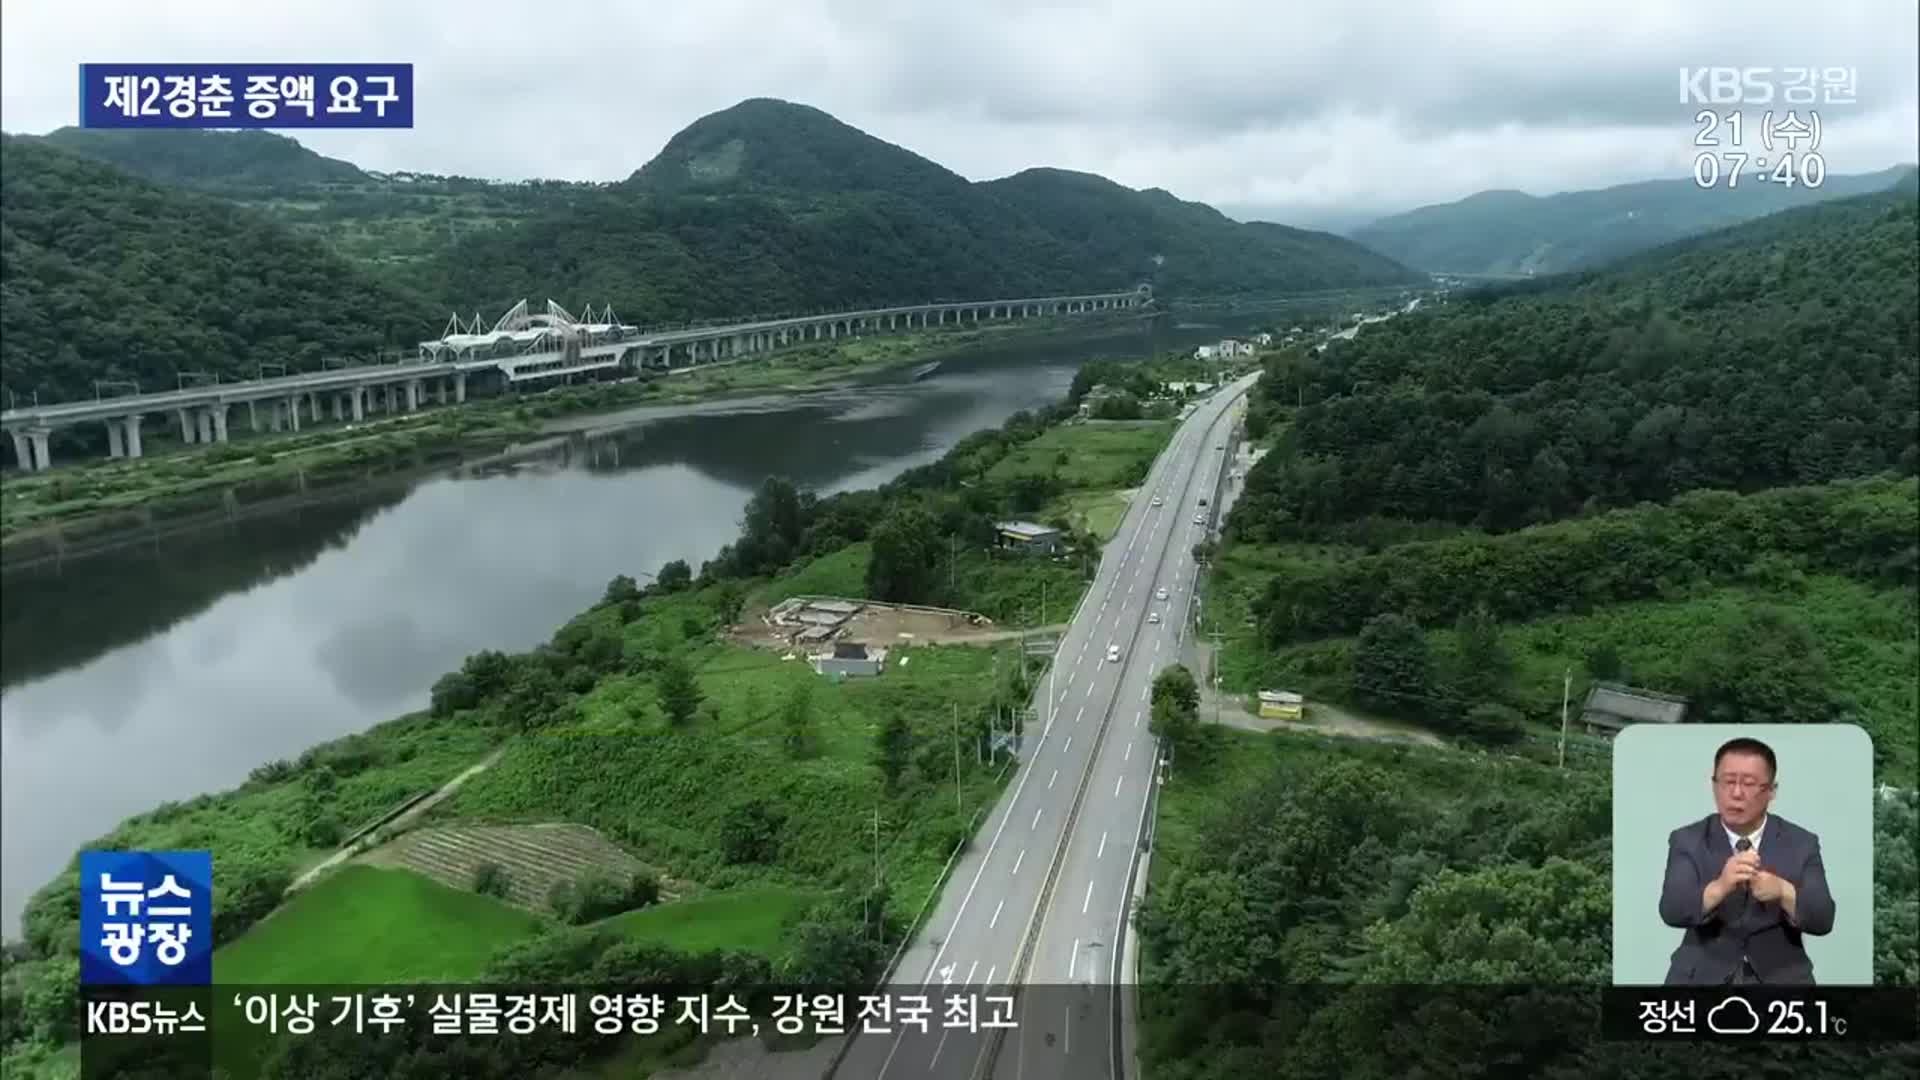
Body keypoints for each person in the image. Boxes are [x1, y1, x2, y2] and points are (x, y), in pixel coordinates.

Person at [1657, 736, 1835, 984]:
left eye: (1749, 784)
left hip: (1782, 978)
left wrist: (1784, 892)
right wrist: (1719, 887)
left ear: (1771, 790)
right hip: (1699, 976)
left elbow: (1823, 918)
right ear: (1714, 785)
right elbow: (1672, 910)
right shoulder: (1687, 839)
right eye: (1728, 782)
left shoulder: (1802, 842)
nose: (1736, 793)